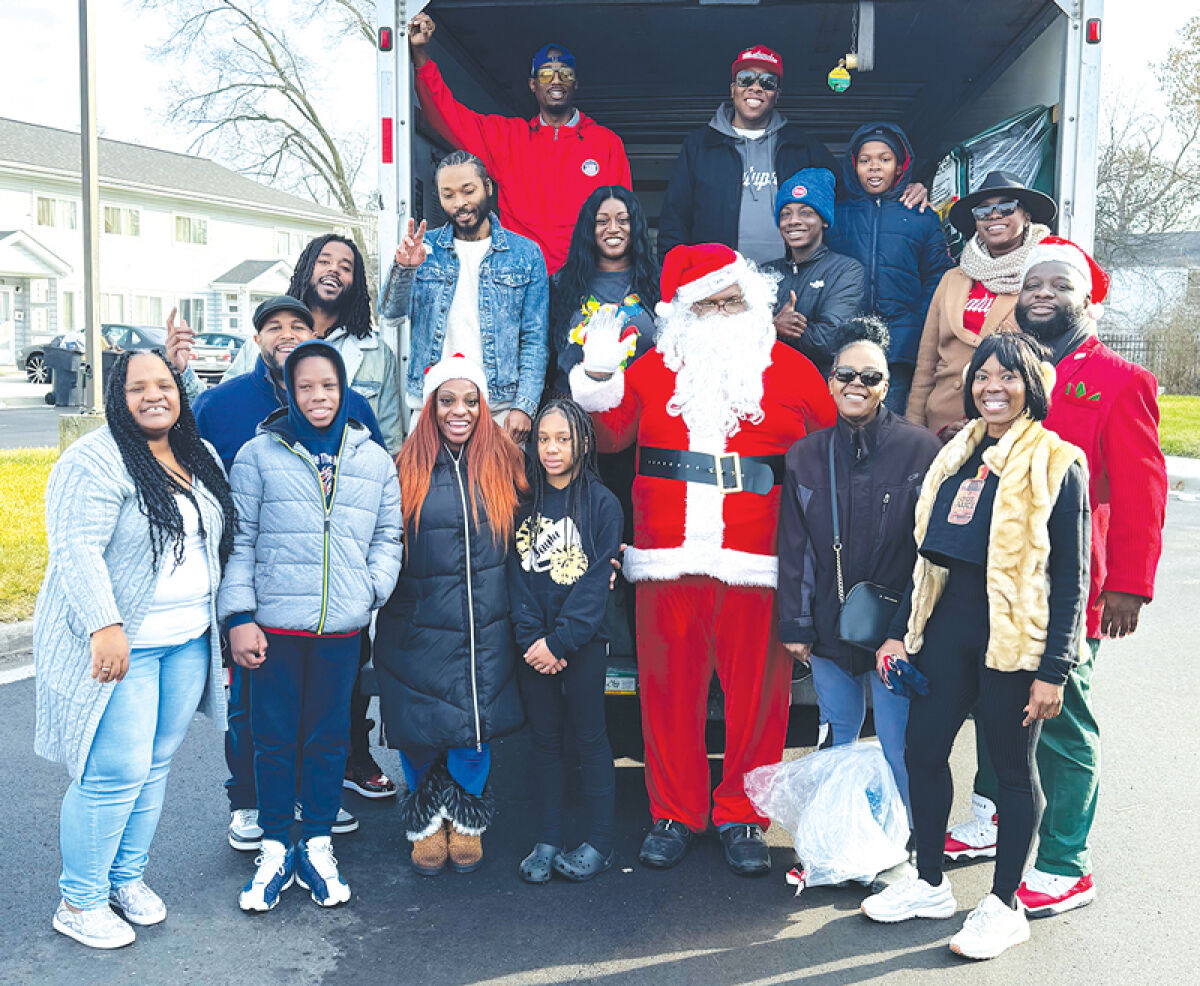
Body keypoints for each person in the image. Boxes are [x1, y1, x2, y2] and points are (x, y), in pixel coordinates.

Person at [570, 243, 836, 876]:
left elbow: (825, 457)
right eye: (709, 303)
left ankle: (744, 813)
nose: (723, 311)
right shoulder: (654, 369)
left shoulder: (793, 370)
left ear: (753, 302)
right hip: (668, 559)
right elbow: (608, 437)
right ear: (684, 312)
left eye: (733, 299)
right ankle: (675, 811)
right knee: (668, 694)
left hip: (757, 560)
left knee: (759, 701)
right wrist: (601, 376)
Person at [943, 237, 1168, 918]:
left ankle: (1067, 861)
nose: (1041, 294)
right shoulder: (1008, 370)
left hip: (1071, 582)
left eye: (1058, 285)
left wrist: (1129, 582)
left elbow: (1142, 491)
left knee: (1063, 718)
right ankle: (989, 817)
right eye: (1032, 283)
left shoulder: (1121, 381)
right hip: (995, 579)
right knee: (992, 699)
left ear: (1086, 296)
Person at [861, 332, 1091, 961]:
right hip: (944, 631)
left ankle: (1004, 904)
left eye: (1009, 377)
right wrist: (903, 631)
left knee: (1012, 769)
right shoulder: (956, 453)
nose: (994, 386)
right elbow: (924, 557)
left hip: (1014, 644)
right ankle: (931, 882)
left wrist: (1055, 670)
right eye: (983, 376)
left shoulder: (1057, 461)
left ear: (1032, 386)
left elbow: (1072, 578)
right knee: (924, 752)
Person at [36, 350, 236, 948]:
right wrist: (104, 624)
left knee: (153, 767)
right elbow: (76, 548)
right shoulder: (94, 460)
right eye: (136, 388)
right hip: (124, 647)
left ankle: (124, 879)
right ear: (114, 398)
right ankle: (80, 899)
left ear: (180, 391)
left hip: (184, 642)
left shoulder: (196, 454)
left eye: (164, 384)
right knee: (112, 773)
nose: (153, 396)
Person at [184, 295, 386, 853]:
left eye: (298, 324)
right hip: (258, 592)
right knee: (253, 712)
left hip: (334, 599)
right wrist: (237, 610)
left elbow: (377, 512)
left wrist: (367, 587)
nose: (287, 333)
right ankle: (251, 803)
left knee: (326, 714)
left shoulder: (359, 420)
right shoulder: (227, 408)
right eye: (274, 326)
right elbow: (186, 453)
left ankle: (311, 802)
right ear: (259, 339)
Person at [220, 340, 402, 912]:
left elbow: (387, 537)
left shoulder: (372, 459)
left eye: (328, 386)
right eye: (306, 387)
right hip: (275, 630)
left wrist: (369, 591)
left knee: (328, 741)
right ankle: (275, 847)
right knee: (272, 741)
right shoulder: (257, 455)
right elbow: (239, 542)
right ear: (290, 392)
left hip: (341, 631)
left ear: (344, 389)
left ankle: (318, 843)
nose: (318, 396)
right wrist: (240, 617)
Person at [777, 317, 941, 815]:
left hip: (898, 630)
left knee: (899, 743)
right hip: (829, 625)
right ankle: (837, 837)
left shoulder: (921, 449)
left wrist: (905, 630)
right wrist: (796, 623)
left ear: (887, 385)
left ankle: (910, 846)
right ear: (830, 381)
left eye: (870, 377)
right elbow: (795, 546)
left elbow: (931, 554)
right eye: (847, 375)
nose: (857, 385)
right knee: (836, 738)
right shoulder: (805, 455)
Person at [375, 355, 528, 877]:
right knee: (419, 728)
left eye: (469, 400)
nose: (458, 411)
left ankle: (464, 819)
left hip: (486, 626)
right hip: (417, 624)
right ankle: (425, 819)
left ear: (483, 406)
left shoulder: (507, 464)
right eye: (446, 401)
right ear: (430, 407)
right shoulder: (402, 467)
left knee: (473, 731)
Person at [406, 12, 631, 274]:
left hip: (584, 278)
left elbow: (624, 222)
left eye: (565, 74)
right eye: (546, 75)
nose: (556, 81)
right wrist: (420, 55)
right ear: (533, 85)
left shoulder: (606, 144)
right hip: (521, 277)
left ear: (575, 84)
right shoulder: (508, 137)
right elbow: (447, 116)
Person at [508, 399, 624, 884]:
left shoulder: (602, 503)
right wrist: (534, 638)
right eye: (543, 439)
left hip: (581, 645)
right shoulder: (523, 500)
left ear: (582, 443)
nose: (552, 449)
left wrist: (561, 642)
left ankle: (599, 840)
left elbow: (597, 583)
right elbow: (515, 575)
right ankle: (548, 837)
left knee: (590, 738)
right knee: (545, 741)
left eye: (563, 439)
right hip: (534, 648)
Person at [379, 151, 549, 446]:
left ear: (488, 187)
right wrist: (405, 269)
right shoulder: (423, 248)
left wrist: (525, 404)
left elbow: (534, 338)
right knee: (427, 492)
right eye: (448, 195)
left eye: (468, 191)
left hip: (498, 408)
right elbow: (391, 315)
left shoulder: (526, 254)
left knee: (497, 493)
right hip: (432, 406)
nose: (459, 203)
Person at [174, 234, 403, 455]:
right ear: (306, 269)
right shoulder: (262, 345)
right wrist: (182, 371)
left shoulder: (377, 354)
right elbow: (220, 410)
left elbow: (390, 444)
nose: (333, 269)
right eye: (323, 261)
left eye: (345, 267)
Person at [657, 46, 839, 266]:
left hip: (792, 279)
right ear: (733, 89)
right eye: (745, 79)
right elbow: (674, 218)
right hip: (717, 281)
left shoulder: (802, 146)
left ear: (777, 95)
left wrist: (891, 197)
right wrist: (674, 273)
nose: (755, 88)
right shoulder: (700, 145)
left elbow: (848, 200)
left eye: (767, 82)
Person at [906, 171, 1055, 439]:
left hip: (1009, 429)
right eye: (983, 210)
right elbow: (926, 363)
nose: (994, 215)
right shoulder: (953, 279)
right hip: (941, 429)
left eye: (1006, 207)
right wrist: (915, 429)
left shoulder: (1040, 279)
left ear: (1027, 216)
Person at [826, 123, 954, 412]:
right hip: (845, 346)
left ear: (899, 166)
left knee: (890, 425)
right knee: (845, 426)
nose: (874, 167)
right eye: (865, 160)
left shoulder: (922, 216)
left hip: (901, 346)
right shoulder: (836, 215)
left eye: (884, 159)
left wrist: (918, 321)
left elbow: (938, 275)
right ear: (853, 166)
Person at [549, 185, 659, 397]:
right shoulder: (560, 285)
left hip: (641, 409)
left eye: (623, 220)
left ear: (634, 226)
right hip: (575, 412)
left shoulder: (658, 284)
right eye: (602, 221)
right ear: (589, 229)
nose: (613, 228)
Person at [763, 169, 865, 377]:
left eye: (806, 212)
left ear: (824, 220)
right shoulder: (764, 273)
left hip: (819, 386)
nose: (793, 221)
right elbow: (737, 333)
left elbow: (830, 340)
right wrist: (773, 326)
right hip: (767, 386)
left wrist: (769, 331)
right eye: (785, 213)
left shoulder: (846, 270)